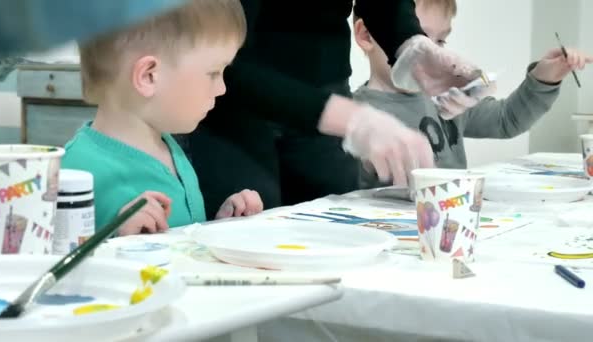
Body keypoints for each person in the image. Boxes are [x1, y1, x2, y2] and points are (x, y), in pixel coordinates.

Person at [185, 0, 485, 219]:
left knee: (336, 233)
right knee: (243, 244)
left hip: (323, 86)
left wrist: (411, 44)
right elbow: (219, 52)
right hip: (232, 100)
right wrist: (351, 119)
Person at [61, 0, 263, 235]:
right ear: (149, 76)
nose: (222, 89)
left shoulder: (171, 150)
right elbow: (53, 263)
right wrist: (118, 239)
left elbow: (179, 244)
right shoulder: (74, 173)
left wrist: (217, 226)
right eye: (213, 73)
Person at [353, 0, 593, 189]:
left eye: (441, 41)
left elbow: (506, 120)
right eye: (422, 40)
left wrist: (544, 78)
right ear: (366, 36)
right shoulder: (352, 115)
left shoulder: (448, 98)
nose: (435, 54)